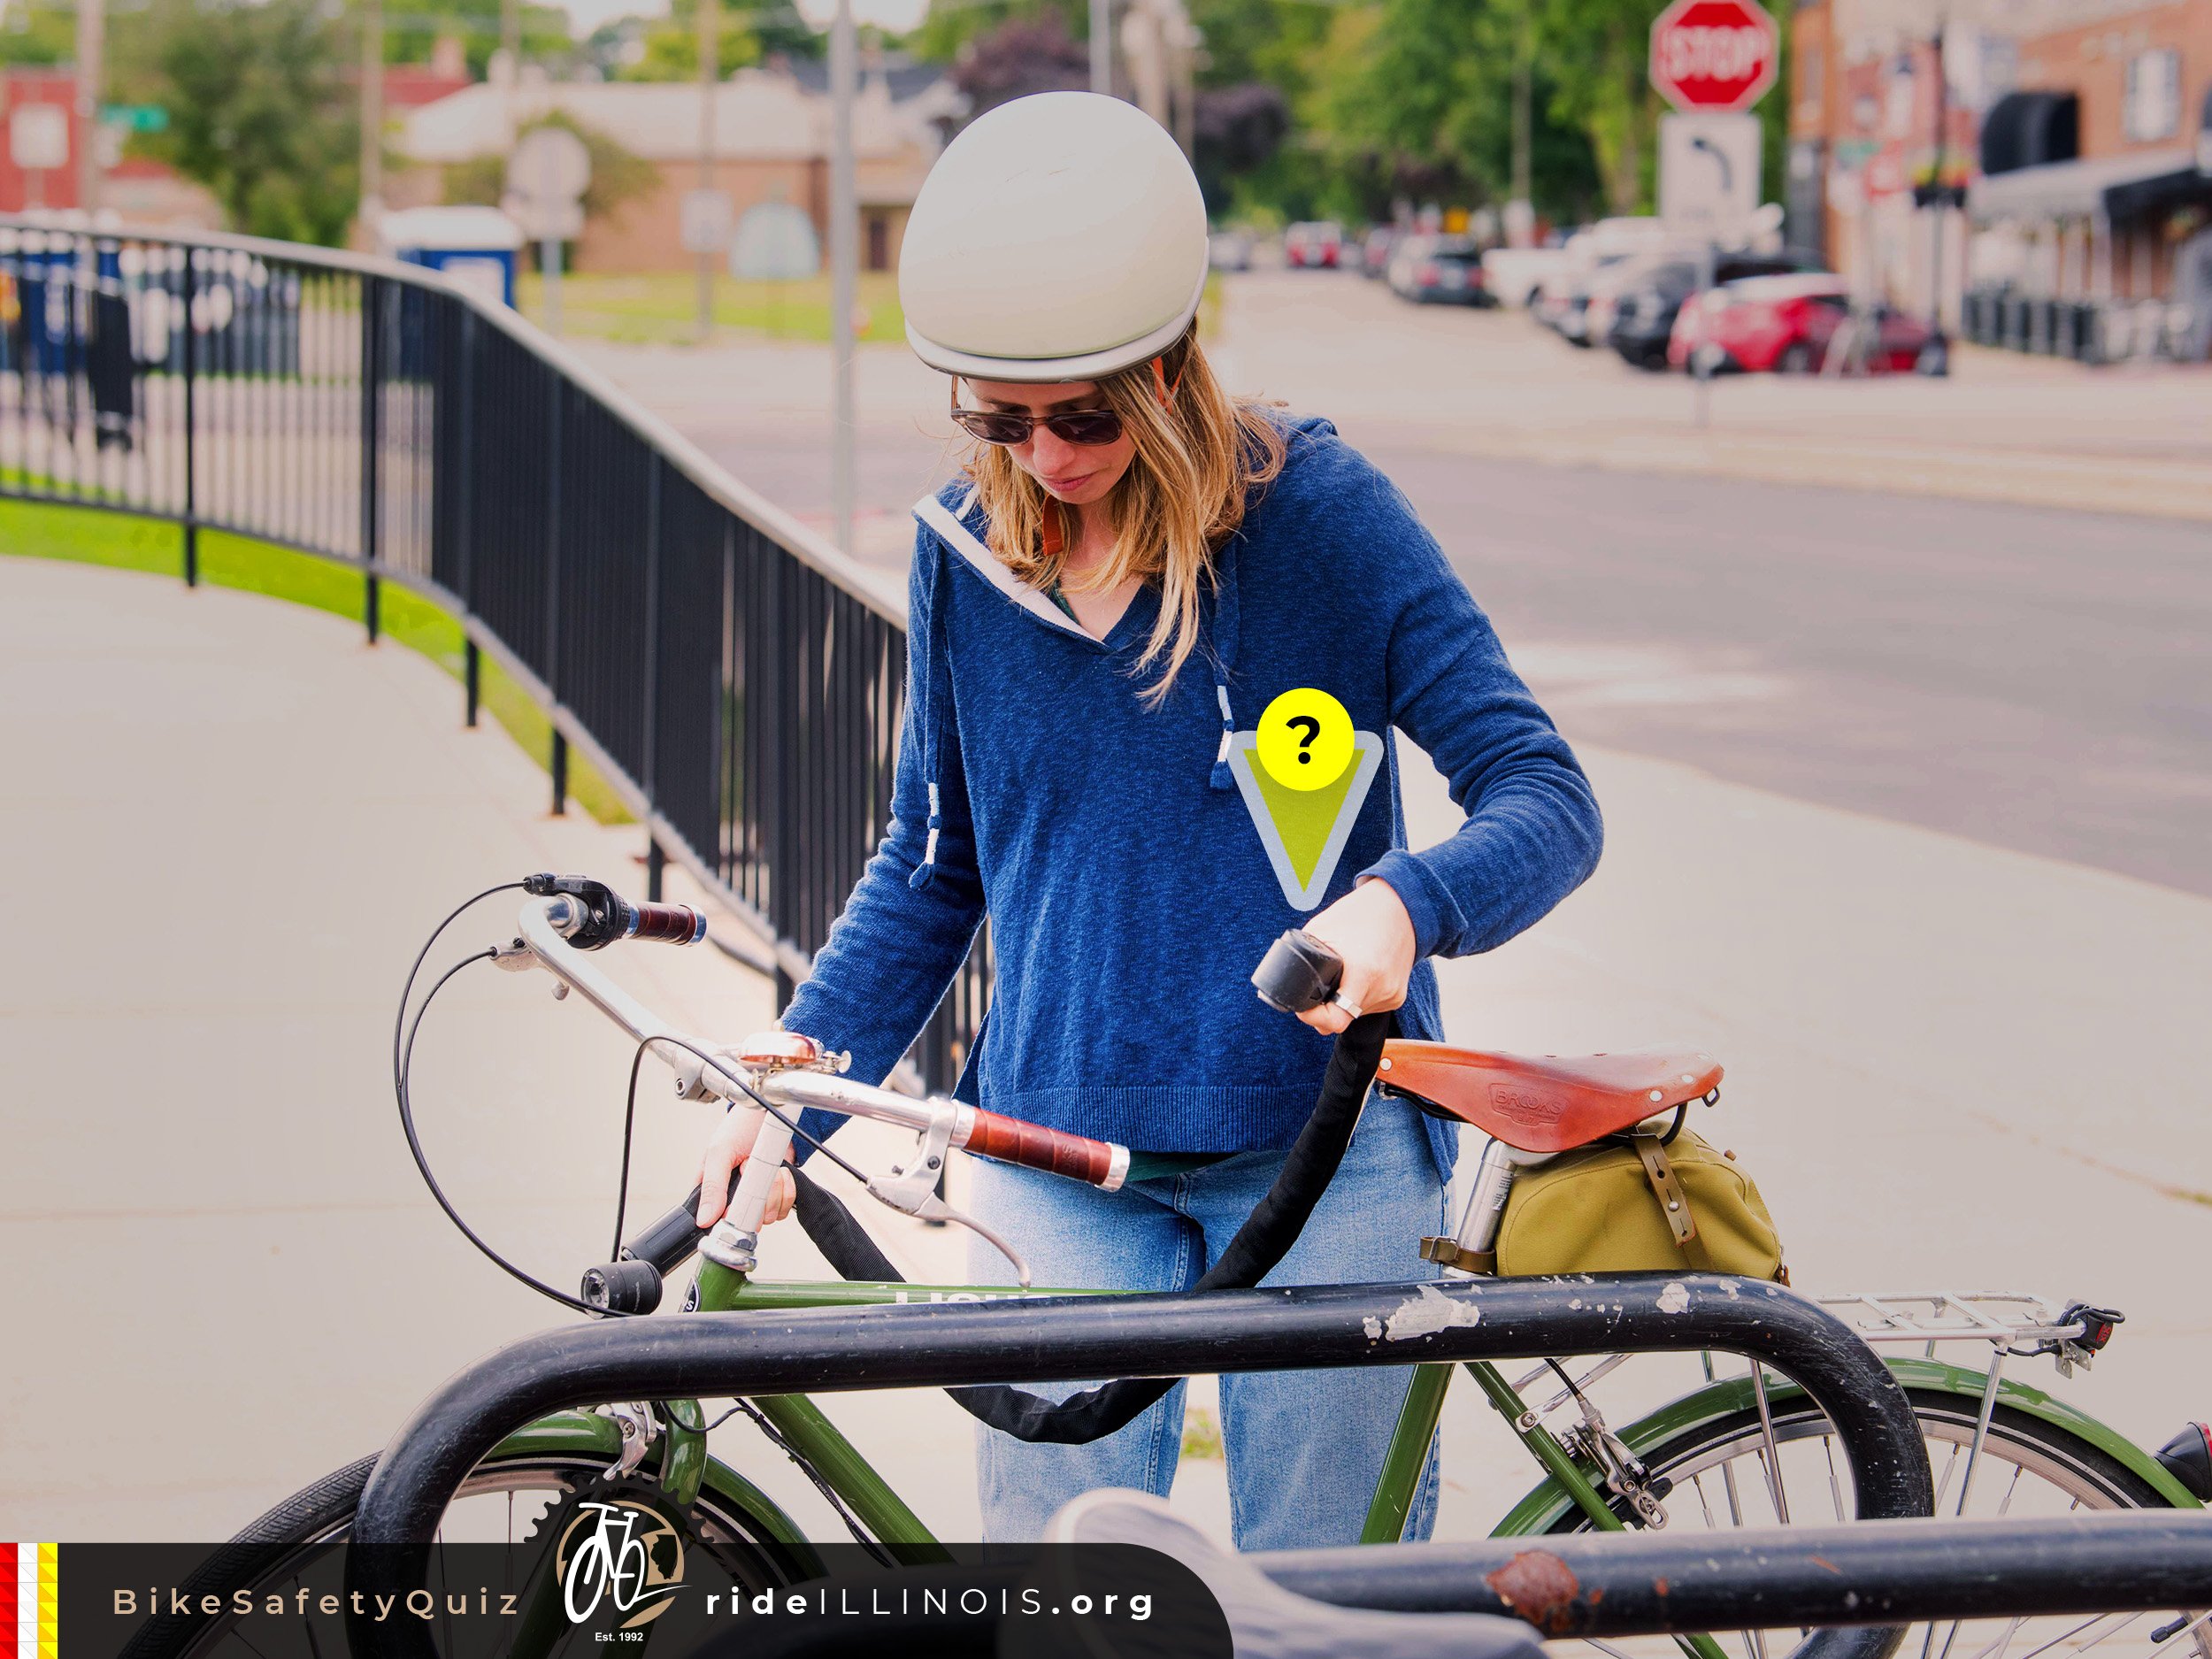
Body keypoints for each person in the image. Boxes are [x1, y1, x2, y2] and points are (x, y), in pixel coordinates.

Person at [693, 90, 1603, 1549]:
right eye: (1001, 419)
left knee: (1322, 1608)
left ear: (1173, 369)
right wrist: (795, 1090)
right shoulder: (964, 556)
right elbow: (933, 870)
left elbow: (1545, 795)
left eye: (1085, 417)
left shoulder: (1319, 517)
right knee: (1073, 1598)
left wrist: (1403, 905)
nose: (1044, 458)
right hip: (1052, 1149)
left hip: (1327, 1151)